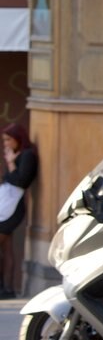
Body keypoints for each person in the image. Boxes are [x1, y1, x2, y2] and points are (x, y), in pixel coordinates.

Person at [0, 124, 38, 298]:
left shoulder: (28, 155)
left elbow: (21, 181)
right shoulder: (18, 155)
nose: (6, 144)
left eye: (8, 139)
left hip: (13, 209)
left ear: (18, 138)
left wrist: (11, 164)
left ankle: (5, 287)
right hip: (7, 204)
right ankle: (7, 288)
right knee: (7, 248)